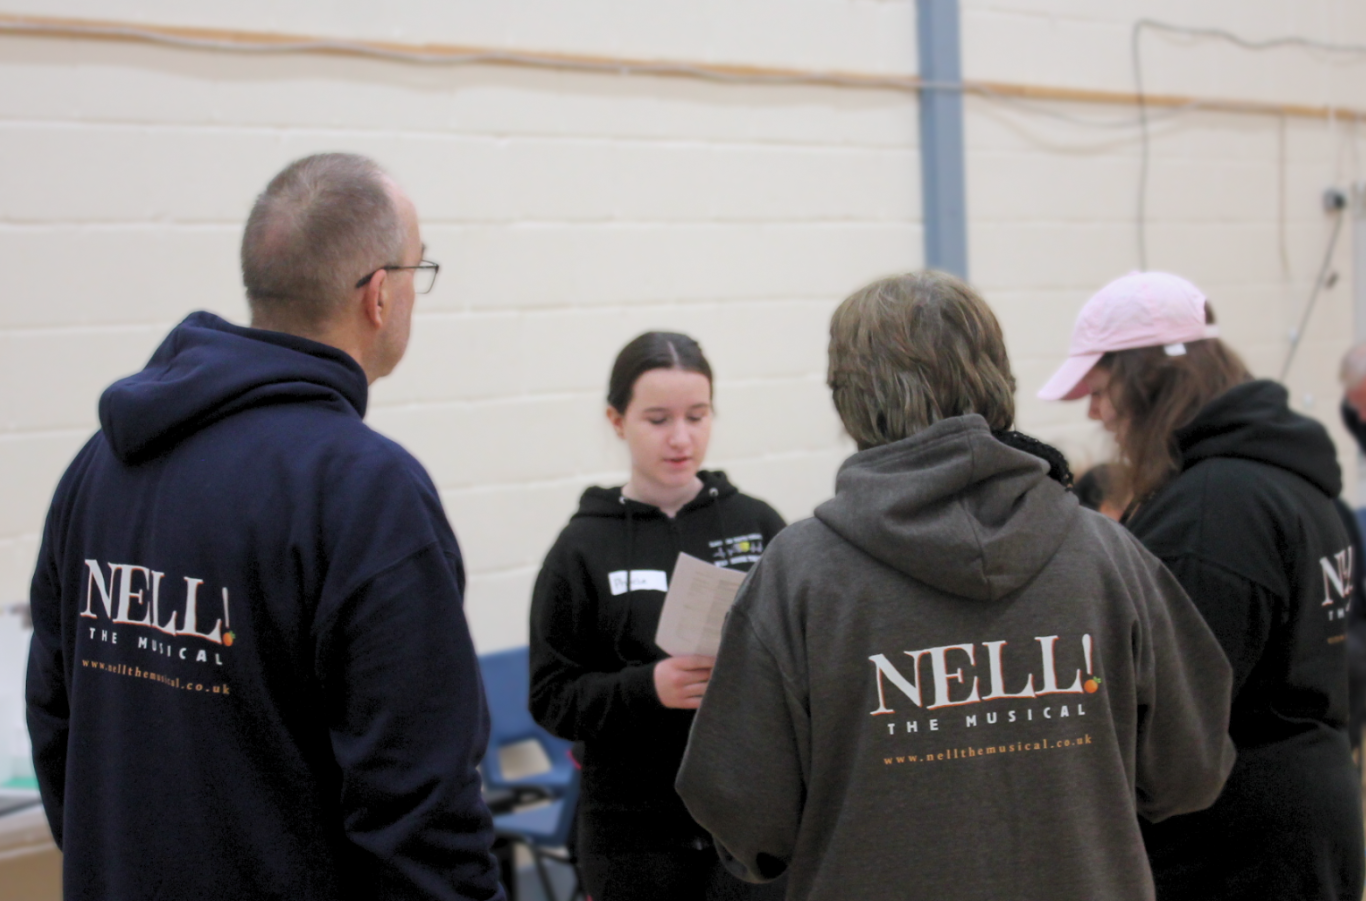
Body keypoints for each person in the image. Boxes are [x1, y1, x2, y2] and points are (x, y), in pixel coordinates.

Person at [25, 153, 503, 900]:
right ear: (379, 294)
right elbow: (422, 813)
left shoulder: (99, 467)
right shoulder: (365, 492)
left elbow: (56, 725)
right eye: (419, 270)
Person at [675, 272, 1235, 901]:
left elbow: (748, 820)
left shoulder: (799, 575)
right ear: (999, 381)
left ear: (848, 399)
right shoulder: (1109, 557)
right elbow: (1190, 773)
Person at [1040, 270, 1365, 900]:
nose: (1094, 411)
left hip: (1239, 849)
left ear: (1148, 382)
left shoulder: (1213, 509)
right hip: (1304, 815)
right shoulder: (1286, 479)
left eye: (1101, 389)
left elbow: (1172, 717)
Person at [528, 332, 787, 901]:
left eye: (697, 416)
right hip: (632, 836)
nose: (681, 438)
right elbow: (551, 697)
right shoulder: (581, 548)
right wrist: (648, 689)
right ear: (617, 421)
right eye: (657, 419)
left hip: (747, 825)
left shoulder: (759, 525)